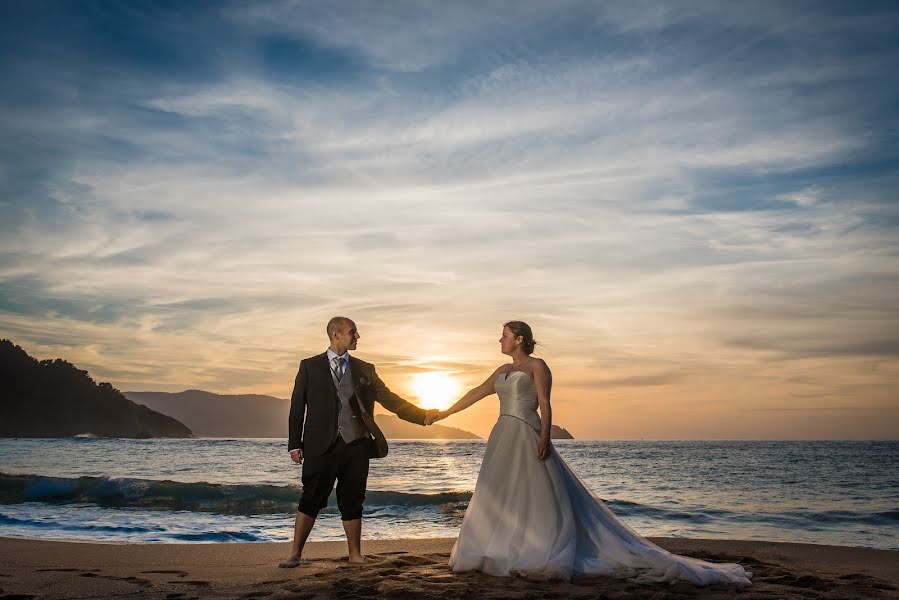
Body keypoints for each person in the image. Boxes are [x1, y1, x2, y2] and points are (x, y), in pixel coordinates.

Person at [434, 321, 752, 586]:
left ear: (518, 339)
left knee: (535, 495)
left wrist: (545, 438)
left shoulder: (538, 367)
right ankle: (501, 547)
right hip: (502, 434)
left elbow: (545, 404)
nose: (498, 340)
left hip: (526, 433)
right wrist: (443, 413)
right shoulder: (502, 369)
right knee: (500, 493)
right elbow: (476, 392)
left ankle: (539, 549)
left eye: (503, 335)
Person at [280, 316, 440, 568]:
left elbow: (391, 400)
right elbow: (297, 408)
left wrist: (421, 415)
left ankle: (355, 555)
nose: (357, 336)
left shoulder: (366, 369)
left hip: (356, 444)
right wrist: (294, 443)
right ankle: (295, 553)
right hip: (319, 445)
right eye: (352, 332)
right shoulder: (309, 366)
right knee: (310, 498)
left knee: (353, 499)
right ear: (336, 335)